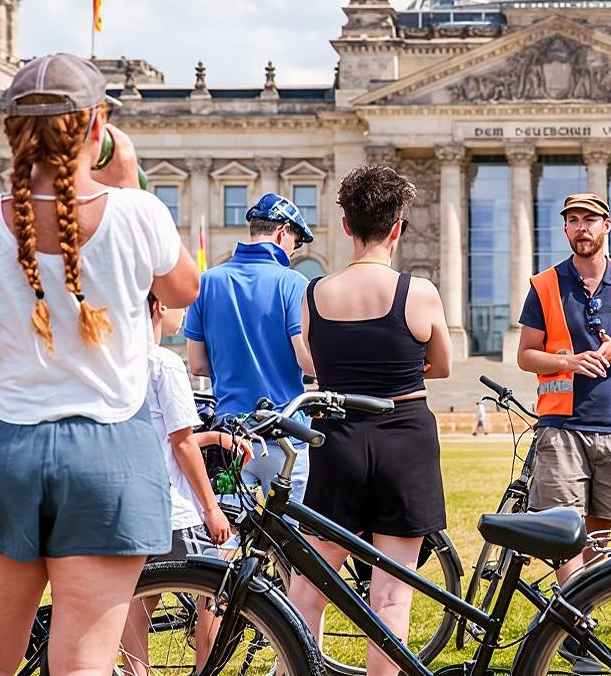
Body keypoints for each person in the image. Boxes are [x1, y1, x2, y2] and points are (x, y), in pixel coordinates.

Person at [0, 53, 199, 674]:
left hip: (3, 453)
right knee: (83, 662)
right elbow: (184, 290)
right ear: (97, 126)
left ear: (11, 132)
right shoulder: (137, 213)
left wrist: (10, 354)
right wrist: (128, 179)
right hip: (109, 455)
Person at [289, 165, 452, 676]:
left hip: (337, 436)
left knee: (309, 587)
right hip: (404, 434)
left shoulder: (315, 293)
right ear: (398, 226)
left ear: (344, 225)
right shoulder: (418, 291)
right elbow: (442, 365)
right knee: (390, 597)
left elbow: (312, 362)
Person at [517, 192, 611, 584]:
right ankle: (575, 618)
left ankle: (583, 606)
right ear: (564, 228)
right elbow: (526, 355)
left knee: (601, 530)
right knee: (564, 530)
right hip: (561, 425)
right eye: (573, 220)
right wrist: (569, 361)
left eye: (589, 220)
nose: (582, 227)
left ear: (606, 226)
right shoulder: (545, 285)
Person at [123, 292, 250, 674]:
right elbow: (179, 443)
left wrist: (212, 438)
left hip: (130, 504)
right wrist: (211, 507)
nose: (185, 312)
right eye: (180, 303)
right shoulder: (164, 363)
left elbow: (162, 437)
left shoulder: (117, 361)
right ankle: (204, 670)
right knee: (214, 589)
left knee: (137, 602)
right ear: (159, 305)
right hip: (174, 508)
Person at [184, 192, 315, 498]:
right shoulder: (292, 283)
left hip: (230, 436)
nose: (293, 252)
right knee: (289, 538)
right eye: (295, 243)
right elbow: (304, 358)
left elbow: (198, 364)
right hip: (284, 433)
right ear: (283, 232)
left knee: (225, 537)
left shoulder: (207, 281)